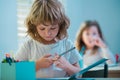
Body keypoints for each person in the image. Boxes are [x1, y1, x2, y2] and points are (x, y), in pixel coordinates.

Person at [14, 0, 82, 78]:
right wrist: (37, 65)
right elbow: (16, 71)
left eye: (53, 28)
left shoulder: (67, 44)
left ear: (61, 25)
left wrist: (67, 66)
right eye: (42, 29)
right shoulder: (29, 46)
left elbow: (80, 74)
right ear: (34, 27)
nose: (48, 33)